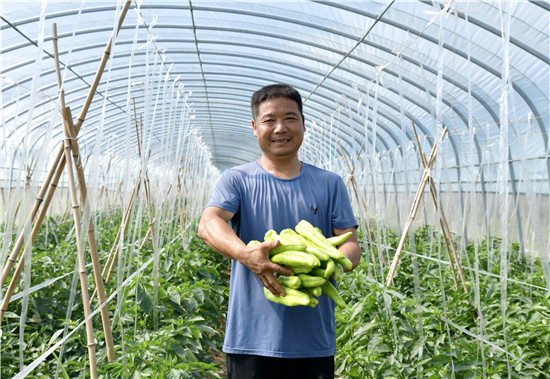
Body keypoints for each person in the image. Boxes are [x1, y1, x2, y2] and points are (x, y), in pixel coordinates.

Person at [198, 83, 361, 379]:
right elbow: (209, 224)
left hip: (314, 340)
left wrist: (329, 263)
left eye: (290, 118)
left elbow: (350, 245)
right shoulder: (236, 180)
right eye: (269, 120)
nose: (280, 128)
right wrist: (246, 254)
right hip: (251, 338)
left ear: (303, 123)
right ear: (254, 127)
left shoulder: (330, 182)